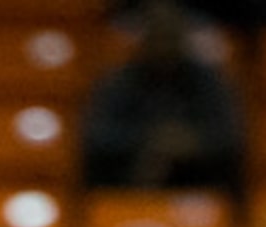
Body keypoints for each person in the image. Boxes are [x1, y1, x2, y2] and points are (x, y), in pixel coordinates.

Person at [81, 0, 244, 194]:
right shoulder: (120, 81)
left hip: (198, 183)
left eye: (169, 37)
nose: (163, 45)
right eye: (157, 37)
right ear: (144, 40)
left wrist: (190, 142)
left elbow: (228, 135)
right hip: (128, 184)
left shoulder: (207, 81)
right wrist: (151, 142)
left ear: (182, 39)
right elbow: (98, 136)